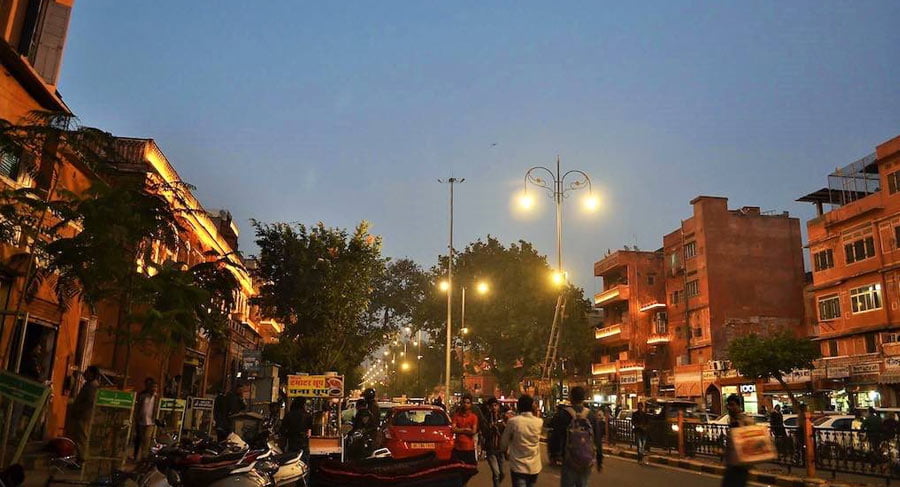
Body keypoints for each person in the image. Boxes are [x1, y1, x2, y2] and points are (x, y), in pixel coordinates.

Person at [548, 386, 603, 487]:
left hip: (569, 459)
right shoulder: (591, 415)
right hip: (587, 460)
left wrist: (553, 454)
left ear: (571, 397)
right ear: (584, 398)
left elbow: (555, 435)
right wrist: (599, 459)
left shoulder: (563, 414)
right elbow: (597, 438)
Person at [500, 395, 543, 487]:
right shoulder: (539, 422)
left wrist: (505, 451)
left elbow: (503, 443)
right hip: (534, 466)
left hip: (518, 465)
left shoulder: (513, 422)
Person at [66, 366, 100, 459]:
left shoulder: (92, 386)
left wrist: (79, 411)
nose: (85, 373)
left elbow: (89, 403)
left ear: (92, 374)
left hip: (84, 416)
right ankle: (79, 458)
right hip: (81, 415)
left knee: (82, 438)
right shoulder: (88, 385)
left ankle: (81, 460)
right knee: (79, 438)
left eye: (87, 372)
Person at [722, 394, 754, 487]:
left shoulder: (746, 421)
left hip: (741, 466)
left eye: (732, 405)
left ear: (739, 406)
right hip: (731, 464)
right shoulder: (732, 421)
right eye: (728, 405)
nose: (729, 408)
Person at [451, 393, 479, 484]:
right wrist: (465, 429)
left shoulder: (473, 417)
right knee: (457, 470)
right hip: (458, 447)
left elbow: (473, 431)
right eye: (464, 402)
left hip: (469, 448)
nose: (466, 405)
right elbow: (453, 429)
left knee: (471, 469)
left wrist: (460, 430)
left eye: (468, 403)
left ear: (471, 404)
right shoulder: (456, 416)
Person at [133, 378, 159, 460]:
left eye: (155, 387)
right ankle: (137, 456)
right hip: (141, 421)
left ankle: (144, 457)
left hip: (150, 422)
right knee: (140, 438)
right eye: (153, 387)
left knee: (147, 439)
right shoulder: (143, 396)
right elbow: (138, 406)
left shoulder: (157, 398)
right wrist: (136, 416)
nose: (154, 389)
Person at [483, 397, 506, 487]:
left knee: (501, 473)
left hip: (500, 449)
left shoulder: (502, 417)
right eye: (492, 406)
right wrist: (490, 428)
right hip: (491, 449)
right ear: (489, 407)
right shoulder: (487, 418)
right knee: (496, 473)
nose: (494, 407)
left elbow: (507, 431)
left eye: (495, 405)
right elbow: (484, 432)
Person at [281, 397, 313, 463]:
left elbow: (282, 430)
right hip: (303, 442)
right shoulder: (308, 415)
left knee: (291, 460)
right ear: (303, 404)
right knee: (303, 461)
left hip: (292, 441)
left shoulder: (288, 415)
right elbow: (309, 433)